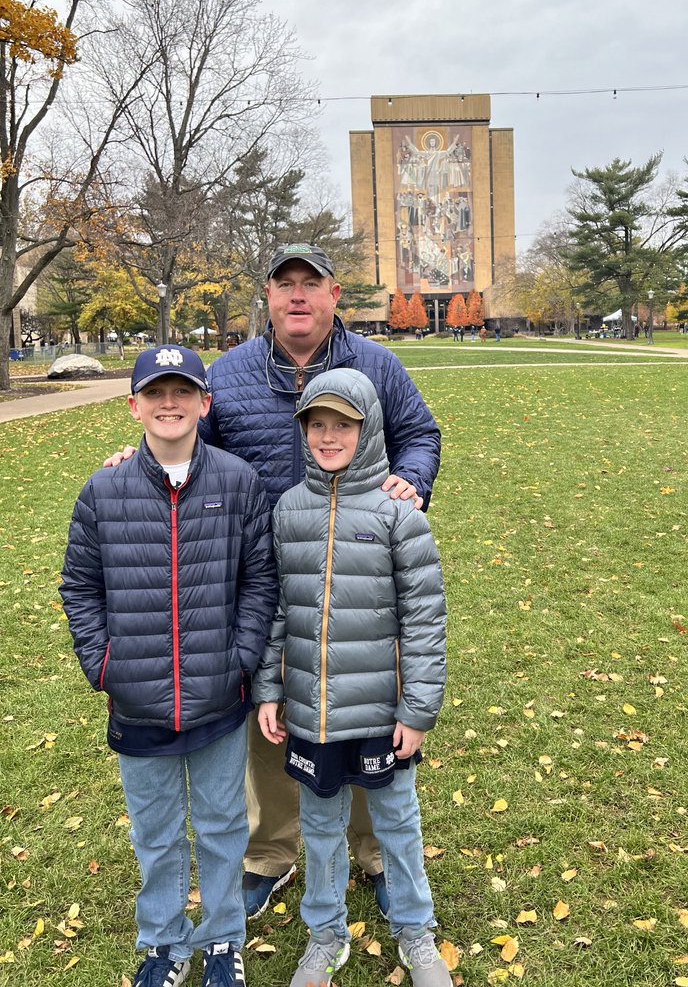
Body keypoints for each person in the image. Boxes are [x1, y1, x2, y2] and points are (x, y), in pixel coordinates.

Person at [107, 244, 441, 920]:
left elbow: (420, 433)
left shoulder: (376, 365)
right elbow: (187, 444)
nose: (297, 296)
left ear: (334, 295)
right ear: (268, 295)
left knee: (367, 697)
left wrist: (414, 478)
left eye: (309, 285)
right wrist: (136, 460)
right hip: (260, 566)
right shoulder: (228, 376)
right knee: (273, 707)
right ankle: (272, 852)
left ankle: (372, 850)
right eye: (284, 284)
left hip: (360, 566)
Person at [60, 346, 280, 987]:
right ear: (134, 405)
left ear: (204, 403)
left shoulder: (238, 481)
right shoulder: (104, 490)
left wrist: (239, 658)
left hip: (219, 697)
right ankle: (162, 942)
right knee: (155, 835)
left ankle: (220, 941)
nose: (169, 403)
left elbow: (259, 580)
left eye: (182, 391)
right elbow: (80, 587)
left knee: (220, 827)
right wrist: (105, 665)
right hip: (137, 700)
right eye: (155, 393)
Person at [254, 368, 451, 987]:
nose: (330, 436)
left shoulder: (399, 515)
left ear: (366, 430)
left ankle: (416, 932)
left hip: (380, 710)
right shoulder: (289, 510)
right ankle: (325, 935)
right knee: (319, 825)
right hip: (311, 708)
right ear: (304, 431)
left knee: (396, 819)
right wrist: (268, 687)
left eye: (343, 424)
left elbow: (425, 621)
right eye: (318, 424)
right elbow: (280, 609)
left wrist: (417, 710)